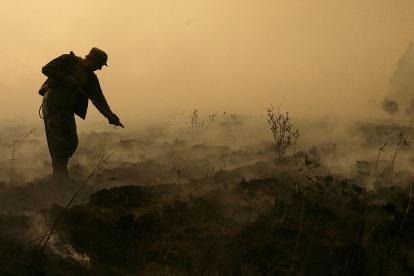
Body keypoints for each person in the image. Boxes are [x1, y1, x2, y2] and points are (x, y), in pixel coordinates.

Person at [39, 47, 123, 179]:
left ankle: (61, 169)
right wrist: (67, 78)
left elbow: (98, 98)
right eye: (99, 65)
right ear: (91, 61)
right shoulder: (68, 60)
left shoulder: (91, 78)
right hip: (52, 104)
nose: (100, 69)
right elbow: (46, 69)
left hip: (67, 108)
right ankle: (60, 174)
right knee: (57, 141)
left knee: (72, 142)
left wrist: (110, 116)